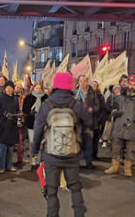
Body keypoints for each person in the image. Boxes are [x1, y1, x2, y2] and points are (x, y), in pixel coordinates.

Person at [32, 72, 90, 217]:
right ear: (71, 85)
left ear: (55, 85)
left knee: (51, 190)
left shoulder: (47, 104)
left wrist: (34, 149)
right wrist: (84, 149)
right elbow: (88, 126)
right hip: (72, 154)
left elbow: (38, 129)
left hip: (51, 154)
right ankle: (79, 214)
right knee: (75, 187)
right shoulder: (76, 104)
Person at [105, 75, 135, 177]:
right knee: (115, 148)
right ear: (127, 84)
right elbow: (111, 109)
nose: (132, 87)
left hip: (133, 128)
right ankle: (114, 167)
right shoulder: (119, 98)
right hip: (119, 127)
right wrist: (115, 113)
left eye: (134, 85)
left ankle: (127, 168)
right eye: (130, 84)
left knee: (131, 150)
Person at [74, 76, 100, 170]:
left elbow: (97, 106)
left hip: (88, 122)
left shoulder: (92, 93)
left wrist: (92, 109)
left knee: (88, 142)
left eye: (85, 81)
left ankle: (89, 162)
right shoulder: (75, 92)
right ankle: (76, 163)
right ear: (79, 82)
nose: (83, 83)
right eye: (81, 81)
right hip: (77, 122)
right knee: (77, 143)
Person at [0, 81, 20, 173]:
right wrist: (5, 114)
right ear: (5, 89)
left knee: (11, 148)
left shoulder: (15, 99)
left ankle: (9, 165)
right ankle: (1, 166)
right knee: (3, 147)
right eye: (7, 87)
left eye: (11, 87)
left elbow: (17, 110)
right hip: (3, 125)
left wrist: (17, 115)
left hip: (13, 126)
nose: (9, 89)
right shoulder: (0, 98)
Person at [22, 82, 47, 168]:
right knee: (33, 142)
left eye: (40, 88)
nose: (38, 90)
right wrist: (30, 112)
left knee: (41, 142)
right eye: (36, 88)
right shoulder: (29, 98)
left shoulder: (46, 97)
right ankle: (33, 160)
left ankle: (40, 160)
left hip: (43, 123)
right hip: (32, 122)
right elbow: (24, 109)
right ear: (33, 88)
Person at [13, 80, 26, 165]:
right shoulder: (12, 97)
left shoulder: (22, 97)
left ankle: (20, 158)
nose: (19, 89)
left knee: (21, 141)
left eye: (20, 88)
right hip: (13, 119)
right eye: (17, 87)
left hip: (21, 119)